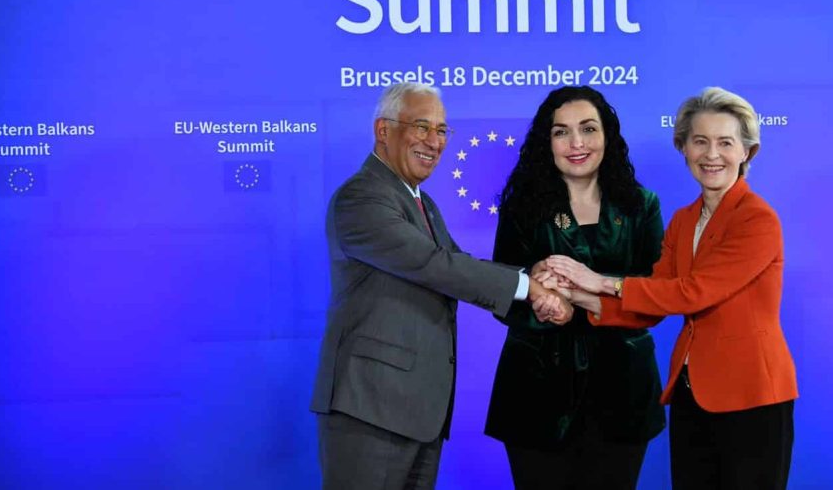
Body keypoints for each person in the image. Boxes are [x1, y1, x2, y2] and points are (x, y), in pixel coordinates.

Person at [310, 82, 571, 490]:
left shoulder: (421, 201)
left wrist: (530, 276)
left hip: (416, 413)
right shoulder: (361, 198)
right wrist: (529, 288)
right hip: (370, 409)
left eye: (442, 130)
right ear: (383, 130)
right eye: (421, 127)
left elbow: (457, 264)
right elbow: (435, 266)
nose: (434, 142)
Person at [545, 87, 798, 489]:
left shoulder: (757, 219)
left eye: (725, 143)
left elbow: (693, 292)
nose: (711, 154)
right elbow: (656, 297)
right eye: (700, 141)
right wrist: (580, 296)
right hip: (690, 394)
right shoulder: (683, 219)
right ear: (683, 147)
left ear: (747, 151)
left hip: (752, 396)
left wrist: (601, 280)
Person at [484, 86, 666, 489]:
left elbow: (656, 295)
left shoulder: (641, 205)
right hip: (536, 391)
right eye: (561, 132)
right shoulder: (523, 207)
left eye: (588, 129)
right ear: (546, 142)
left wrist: (581, 292)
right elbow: (503, 290)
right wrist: (544, 301)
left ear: (607, 136)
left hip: (623, 391)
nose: (576, 143)